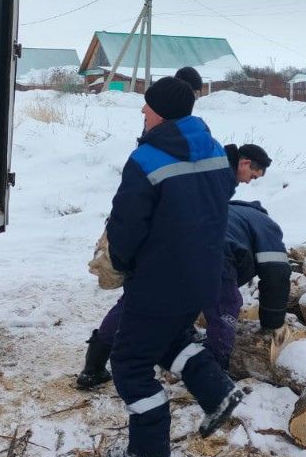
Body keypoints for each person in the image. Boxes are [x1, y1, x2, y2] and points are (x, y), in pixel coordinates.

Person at [101, 75, 243, 457]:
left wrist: (121, 263)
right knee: (168, 340)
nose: (142, 111)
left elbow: (127, 225)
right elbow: (218, 206)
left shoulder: (146, 159)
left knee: (129, 360)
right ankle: (218, 393)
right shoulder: (215, 151)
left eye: (148, 106)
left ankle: (147, 451)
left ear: (160, 113)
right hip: (203, 276)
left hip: (157, 279)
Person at [78, 141, 273, 388]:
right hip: (169, 246)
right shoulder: (218, 174)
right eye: (252, 175)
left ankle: (93, 365)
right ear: (244, 163)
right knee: (221, 301)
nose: (249, 182)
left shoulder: (209, 162)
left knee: (136, 302)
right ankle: (213, 375)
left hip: (156, 240)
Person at [203, 199, 290, 369]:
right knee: (225, 306)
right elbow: (276, 272)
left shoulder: (227, 210)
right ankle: (214, 369)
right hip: (213, 248)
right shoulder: (265, 224)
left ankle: (177, 344)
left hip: (176, 242)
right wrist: (273, 322)